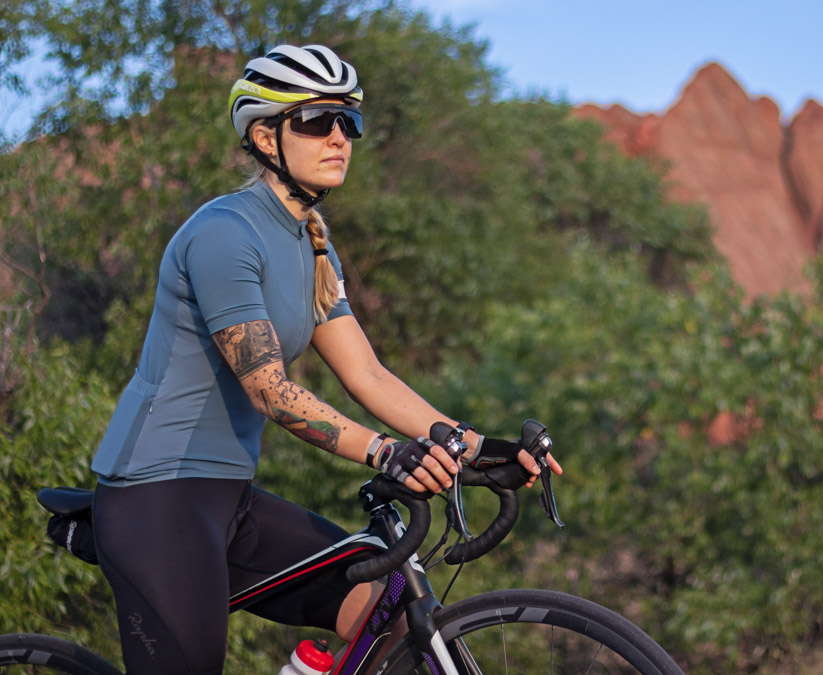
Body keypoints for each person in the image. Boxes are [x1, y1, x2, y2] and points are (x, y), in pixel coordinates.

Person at [89, 43, 562, 675]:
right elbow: (270, 392)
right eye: (315, 121)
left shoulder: (315, 247)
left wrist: (472, 448)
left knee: (386, 613)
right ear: (265, 135)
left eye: (349, 121)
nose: (339, 136)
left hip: (229, 499)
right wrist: (386, 451)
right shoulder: (224, 234)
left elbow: (367, 374)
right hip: (156, 498)